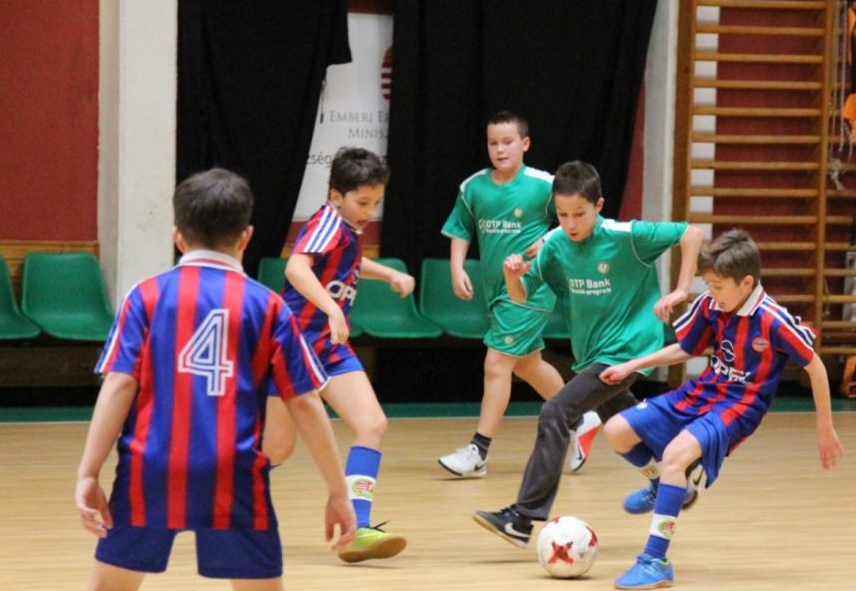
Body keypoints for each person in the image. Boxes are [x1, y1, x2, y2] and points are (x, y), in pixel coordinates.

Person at [57, 169, 356, 591]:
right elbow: (305, 403)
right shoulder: (269, 306)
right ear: (246, 237)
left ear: (177, 234)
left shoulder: (146, 296)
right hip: (234, 475)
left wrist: (87, 472)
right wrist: (339, 492)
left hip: (149, 470)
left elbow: (119, 385)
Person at [473, 160, 704, 547]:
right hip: (592, 356)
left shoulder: (625, 236)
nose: (570, 223)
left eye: (579, 213)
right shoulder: (555, 246)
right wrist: (513, 277)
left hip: (628, 351)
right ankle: (676, 476)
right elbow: (522, 295)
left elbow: (691, 233)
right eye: (562, 214)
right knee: (627, 425)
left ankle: (523, 518)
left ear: (599, 205)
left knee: (556, 411)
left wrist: (682, 289)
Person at [600, 228, 845, 590]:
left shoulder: (773, 320)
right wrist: (632, 365)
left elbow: (816, 367)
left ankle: (655, 561)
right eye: (708, 285)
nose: (711, 293)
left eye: (717, 286)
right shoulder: (712, 304)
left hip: (739, 406)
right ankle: (663, 486)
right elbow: (686, 348)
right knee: (616, 431)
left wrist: (824, 427)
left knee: (675, 457)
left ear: (746, 283)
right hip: (704, 391)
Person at [263, 147, 410, 564]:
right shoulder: (327, 221)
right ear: (335, 196)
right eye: (362, 202)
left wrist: (390, 273)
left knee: (372, 424)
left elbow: (351, 264)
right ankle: (220, 496)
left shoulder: (346, 228)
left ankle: (357, 528)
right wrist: (331, 309)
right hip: (293, 346)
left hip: (328, 348)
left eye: (376, 203)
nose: (369, 212)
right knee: (276, 450)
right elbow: (295, 268)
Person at [438, 111, 600, 479]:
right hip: (495, 291)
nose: (500, 149)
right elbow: (460, 228)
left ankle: (478, 451)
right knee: (527, 364)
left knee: (496, 364)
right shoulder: (473, 187)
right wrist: (457, 267)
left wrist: (550, 238)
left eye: (507, 142)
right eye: (493, 143)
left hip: (532, 289)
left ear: (524, 144)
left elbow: (576, 218)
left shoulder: (544, 185)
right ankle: (580, 418)